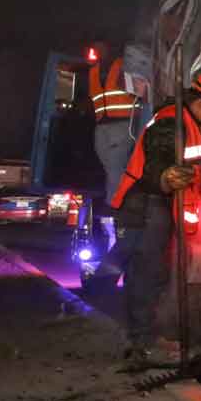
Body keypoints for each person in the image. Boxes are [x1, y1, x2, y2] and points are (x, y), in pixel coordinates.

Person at [107, 68, 201, 368]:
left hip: (159, 207)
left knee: (154, 274)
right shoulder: (172, 122)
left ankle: (147, 337)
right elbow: (157, 154)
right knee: (145, 274)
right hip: (146, 205)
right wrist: (166, 176)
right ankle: (140, 344)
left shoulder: (191, 124)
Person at [87, 41, 139, 268]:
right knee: (109, 168)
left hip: (122, 124)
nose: (100, 50)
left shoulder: (124, 66)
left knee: (115, 169)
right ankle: (116, 204)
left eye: (102, 46)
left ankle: (114, 210)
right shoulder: (94, 71)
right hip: (103, 125)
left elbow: (139, 93)